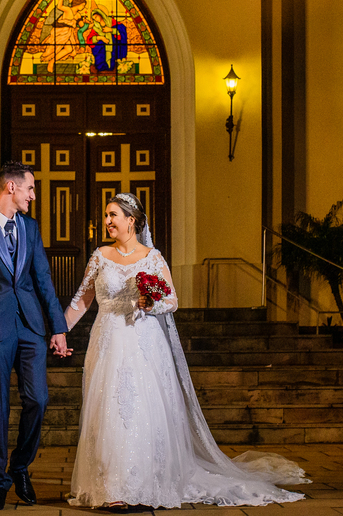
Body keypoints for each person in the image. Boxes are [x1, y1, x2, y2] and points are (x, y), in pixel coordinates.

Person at [65, 193, 309, 508]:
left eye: (114, 215)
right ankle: (110, 484)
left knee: (138, 410)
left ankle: (136, 485)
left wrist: (150, 303)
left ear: (133, 220)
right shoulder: (100, 255)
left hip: (143, 343)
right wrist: (59, 330)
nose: (108, 221)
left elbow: (172, 301)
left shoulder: (152, 258)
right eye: (107, 215)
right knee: (109, 410)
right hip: (107, 340)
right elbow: (82, 300)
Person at [0, 161, 72, 511]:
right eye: (30, 189)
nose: (33, 197)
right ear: (10, 187)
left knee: (38, 400)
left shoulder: (31, 228)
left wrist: (58, 329)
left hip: (31, 328)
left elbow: (43, 281)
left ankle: (19, 467)